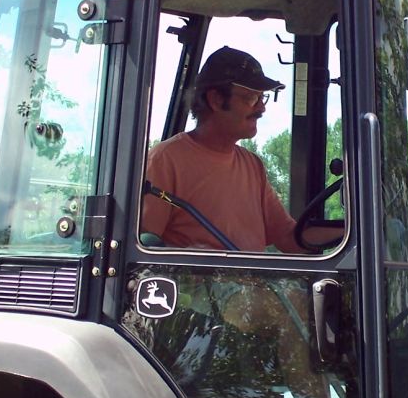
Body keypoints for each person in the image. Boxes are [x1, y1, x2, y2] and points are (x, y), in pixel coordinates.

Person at [142, 46, 337, 252]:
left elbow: (289, 237)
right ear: (216, 99)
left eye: (263, 98)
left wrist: (354, 233)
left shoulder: (252, 165)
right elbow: (146, 250)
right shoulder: (165, 161)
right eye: (251, 98)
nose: (261, 108)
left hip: (250, 284)